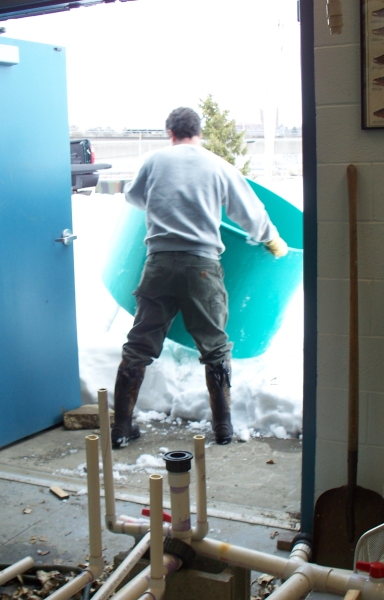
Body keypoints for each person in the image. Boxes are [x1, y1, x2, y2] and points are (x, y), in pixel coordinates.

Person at [111, 106, 288, 449]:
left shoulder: (154, 161)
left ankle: (121, 426)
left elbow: (134, 197)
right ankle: (222, 428)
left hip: (158, 264)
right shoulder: (218, 166)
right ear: (199, 133)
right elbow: (249, 213)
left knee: (139, 346)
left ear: (170, 133)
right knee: (215, 348)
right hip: (202, 267)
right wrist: (271, 239)